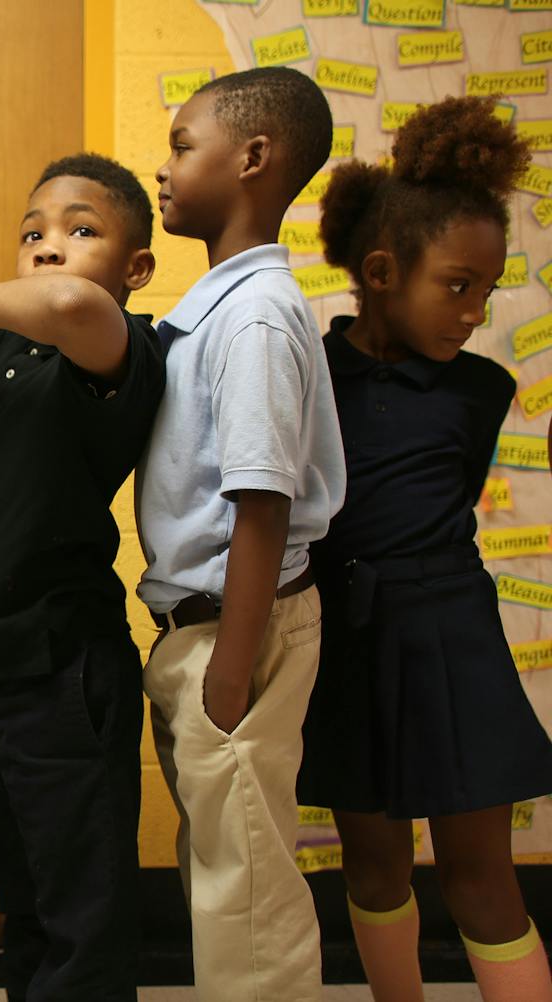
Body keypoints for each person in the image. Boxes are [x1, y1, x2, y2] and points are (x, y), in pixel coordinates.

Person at [299, 95, 552, 1002]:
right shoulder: (309, 372)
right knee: (371, 869)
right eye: (458, 285)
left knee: (483, 878)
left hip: (451, 636)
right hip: (348, 641)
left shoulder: (479, 389)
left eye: (488, 289)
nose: (477, 312)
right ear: (379, 270)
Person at [0, 152, 163, 1001]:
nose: (49, 250)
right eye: (33, 234)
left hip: (64, 665)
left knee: (81, 917)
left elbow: (67, 301)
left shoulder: (117, 346)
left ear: (135, 268)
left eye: (80, 230)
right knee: (25, 902)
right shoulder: (17, 352)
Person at [136, 66, 346, 1002]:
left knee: (248, 898)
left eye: (184, 145)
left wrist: (231, 670)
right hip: (213, 626)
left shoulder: (256, 318)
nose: (165, 165)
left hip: (239, 628)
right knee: (227, 875)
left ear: (253, 158)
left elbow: (261, 505)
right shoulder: (221, 306)